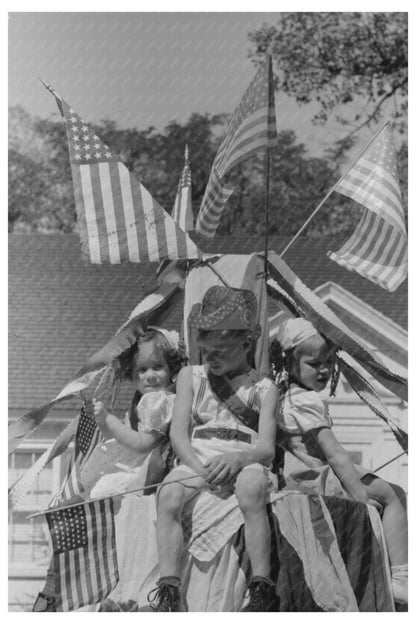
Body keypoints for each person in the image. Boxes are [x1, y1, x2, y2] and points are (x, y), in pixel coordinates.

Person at [32, 326, 187, 612]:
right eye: (141, 370)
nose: (149, 376)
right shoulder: (144, 401)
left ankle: (66, 591)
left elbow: (142, 444)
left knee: (98, 495)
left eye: (158, 367)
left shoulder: (162, 401)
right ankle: (57, 586)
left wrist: (108, 422)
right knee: (76, 502)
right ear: (131, 374)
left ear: (172, 370)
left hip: (140, 469)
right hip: (129, 464)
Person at [147, 286, 280, 612]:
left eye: (222, 351)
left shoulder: (264, 388)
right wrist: (200, 467)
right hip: (198, 456)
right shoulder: (190, 377)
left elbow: (266, 449)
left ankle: (260, 584)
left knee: (251, 488)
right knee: (169, 495)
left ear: (246, 344)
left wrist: (237, 460)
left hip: (243, 456)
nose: (211, 358)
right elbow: (179, 435)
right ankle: (168, 585)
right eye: (206, 351)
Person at [269, 317, 408, 608]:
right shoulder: (306, 401)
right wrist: (359, 495)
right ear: (291, 364)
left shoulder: (283, 395)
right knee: (393, 495)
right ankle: (400, 576)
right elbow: (334, 453)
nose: (324, 370)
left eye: (329, 362)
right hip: (314, 473)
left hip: (298, 469)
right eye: (314, 363)